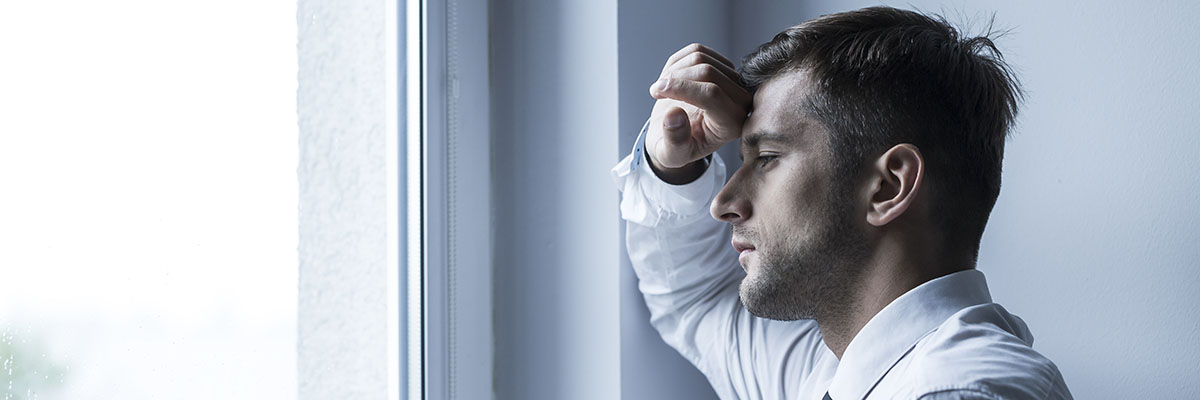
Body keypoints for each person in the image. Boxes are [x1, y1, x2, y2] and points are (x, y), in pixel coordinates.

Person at [611, 6, 1072, 400]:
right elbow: (696, 299)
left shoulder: (959, 389)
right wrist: (672, 165)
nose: (724, 202)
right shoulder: (826, 372)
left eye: (767, 159)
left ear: (888, 187)